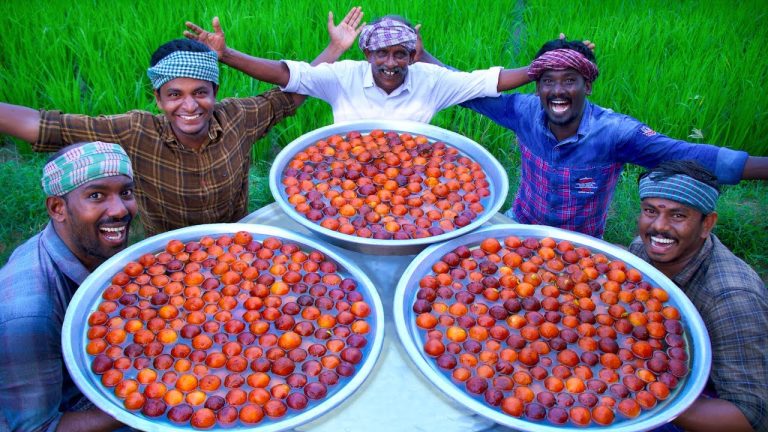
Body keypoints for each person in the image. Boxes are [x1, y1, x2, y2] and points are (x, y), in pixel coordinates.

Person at [0, 8, 363, 236]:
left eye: (200, 92)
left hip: (233, 235)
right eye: (175, 95)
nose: (190, 106)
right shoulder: (135, 130)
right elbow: (45, 125)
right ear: (158, 99)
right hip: (167, 250)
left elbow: (292, 95)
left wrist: (334, 50)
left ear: (215, 92)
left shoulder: (239, 117)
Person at [421, 37, 768, 238]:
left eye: (569, 80)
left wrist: (762, 166)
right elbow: (466, 90)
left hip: (581, 240)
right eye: (548, 81)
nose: (558, 90)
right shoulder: (523, 111)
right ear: (537, 86)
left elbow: (693, 155)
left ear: (586, 86)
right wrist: (423, 58)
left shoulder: (616, 133)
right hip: (521, 222)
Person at [0, 142, 137, 431]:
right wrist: (141, 401)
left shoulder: (92, 246)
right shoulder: (29, 313)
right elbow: (35, 427)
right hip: (70, 405)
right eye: (96, 195)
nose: (119, 210)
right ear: (57, 207)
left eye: (125, 192)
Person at [183, 14, 532, 123]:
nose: (390, 63)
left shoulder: (433, 80)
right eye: (382, 54)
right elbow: (286, 74)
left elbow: (489, 81)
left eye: (400, 54)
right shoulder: (343, 76)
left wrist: (542, 66)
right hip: (346, 179)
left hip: (410, 181)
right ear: (367, 53)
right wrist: (226, 54)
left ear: (414, 56)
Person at [628, 160, 767, 432]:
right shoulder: (642, 251)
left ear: (707, 224)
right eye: (650, 211)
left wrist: (644, 394)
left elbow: (751, 415)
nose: (659, 227)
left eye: (678, 216)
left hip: (697, 399)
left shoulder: (732, 297)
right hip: (644, 364)